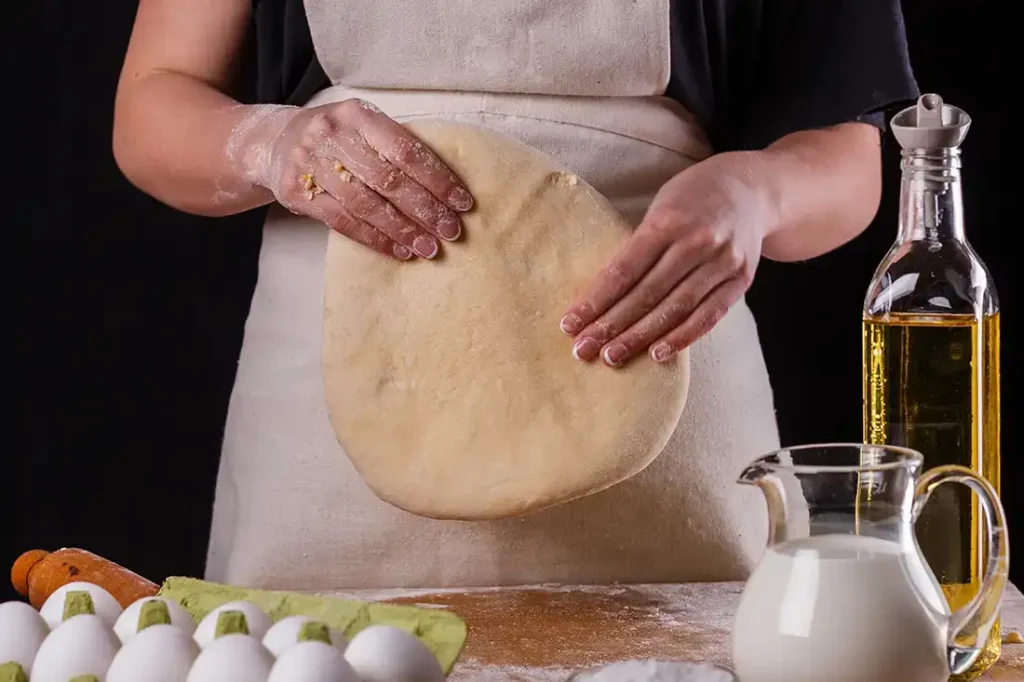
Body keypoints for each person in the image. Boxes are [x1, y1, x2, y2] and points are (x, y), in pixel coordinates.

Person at [113, 0, 919, 589]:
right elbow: (154, 100)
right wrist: (270, 142)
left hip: (668, 442)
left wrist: (756, 194)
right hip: (324, 465)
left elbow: (848, 162)